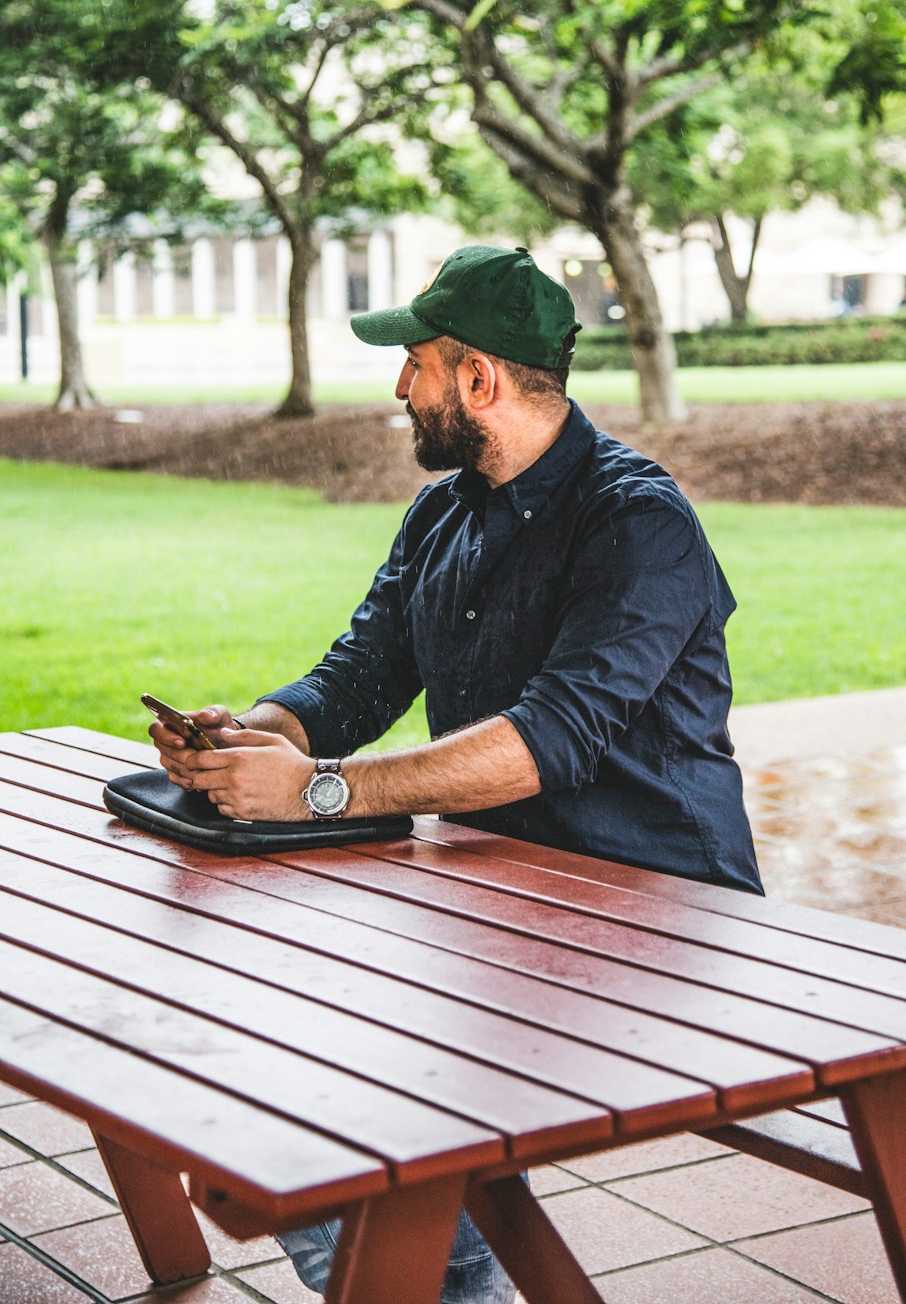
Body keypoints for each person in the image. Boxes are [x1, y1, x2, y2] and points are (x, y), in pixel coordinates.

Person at [150, 242, 762, 1302]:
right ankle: (447, 1279)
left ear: (477, 379)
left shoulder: (637, 522)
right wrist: (250, 735)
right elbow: (357, 677)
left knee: (323, 1098)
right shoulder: (443, 512)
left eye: (416, 365)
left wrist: (321, 790)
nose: (398, 387)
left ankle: (444, 1282)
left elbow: (552, 738)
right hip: (491, 884)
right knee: (238, 1043)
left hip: (656, 910)